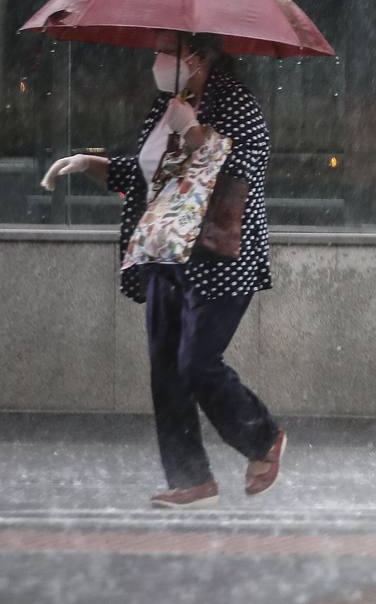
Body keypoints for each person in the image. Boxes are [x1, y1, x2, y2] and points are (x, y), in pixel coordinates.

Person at [41, 31, 286, 509]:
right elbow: (150, 173)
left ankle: (262, 439)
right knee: (167, 370)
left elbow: (241, 170)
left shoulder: (237, 105)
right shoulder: (167, 104)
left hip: (218, 254)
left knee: (198, 363)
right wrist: (91, 163)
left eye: (165, 51)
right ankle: (191, 479)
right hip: (164, 251)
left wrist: (195, 132)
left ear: (195, 57)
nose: (156, 60)